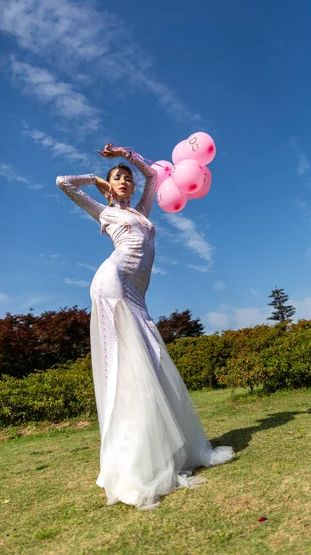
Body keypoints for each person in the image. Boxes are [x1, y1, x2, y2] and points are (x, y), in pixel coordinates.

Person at [56, 143, 233, 510]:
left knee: (150, 362)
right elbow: (62, 183)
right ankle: (135, 463)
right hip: (112, 284)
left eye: (126, 178)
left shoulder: (143, 210)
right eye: (117, 178)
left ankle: (164, 448)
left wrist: (125, 153)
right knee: (128, 368)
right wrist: (93, 179)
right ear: (108, 186)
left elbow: (153, 175)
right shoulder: (103, 212)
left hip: (137, 294)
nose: (124, 181)